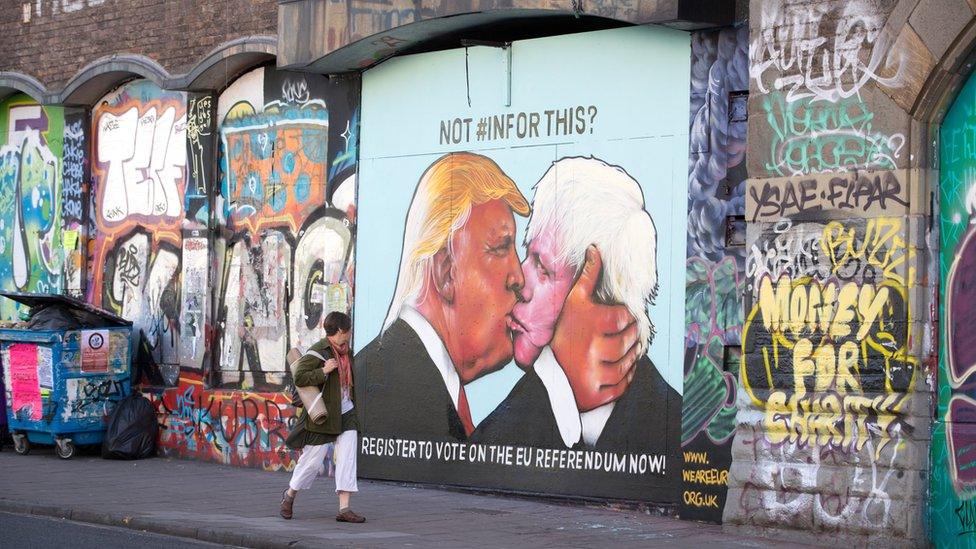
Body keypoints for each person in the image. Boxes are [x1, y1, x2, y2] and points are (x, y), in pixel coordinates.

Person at [475, 156, 681, 456]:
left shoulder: (672, 432)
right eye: (527, 255)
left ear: (599, 296)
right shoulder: (503, 429)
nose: (520, 280)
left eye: (543, 269)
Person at [279, 312, 364, 523]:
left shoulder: (347, 352)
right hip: (324, 415)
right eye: (348, 331)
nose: (350, 334)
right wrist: (323, 371)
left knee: (348, 458)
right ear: (340, 332)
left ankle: (344, 508)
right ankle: (290, 495)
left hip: (347, 412)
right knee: (312, 460)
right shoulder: (318, 351)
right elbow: (299, 377)